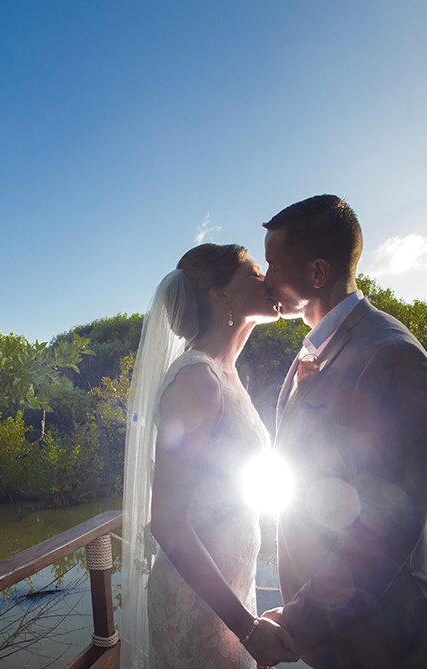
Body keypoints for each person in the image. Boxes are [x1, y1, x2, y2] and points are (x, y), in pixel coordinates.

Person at [260, 195, 427, 668]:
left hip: (394, 641)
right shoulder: (312, 350)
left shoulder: (390, 354)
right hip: (339, 633)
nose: (264, 278)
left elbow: (386, 529)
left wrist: (297, 619)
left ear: (316, 272)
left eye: (273, 264)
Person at [120, 243, 299, 669]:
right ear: (221, 296)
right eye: (255, 273)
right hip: (197, 603)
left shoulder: (226, 373)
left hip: (230, 588)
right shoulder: (196, 380)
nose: (268, 280)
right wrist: (248, 629)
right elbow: (167, 521)